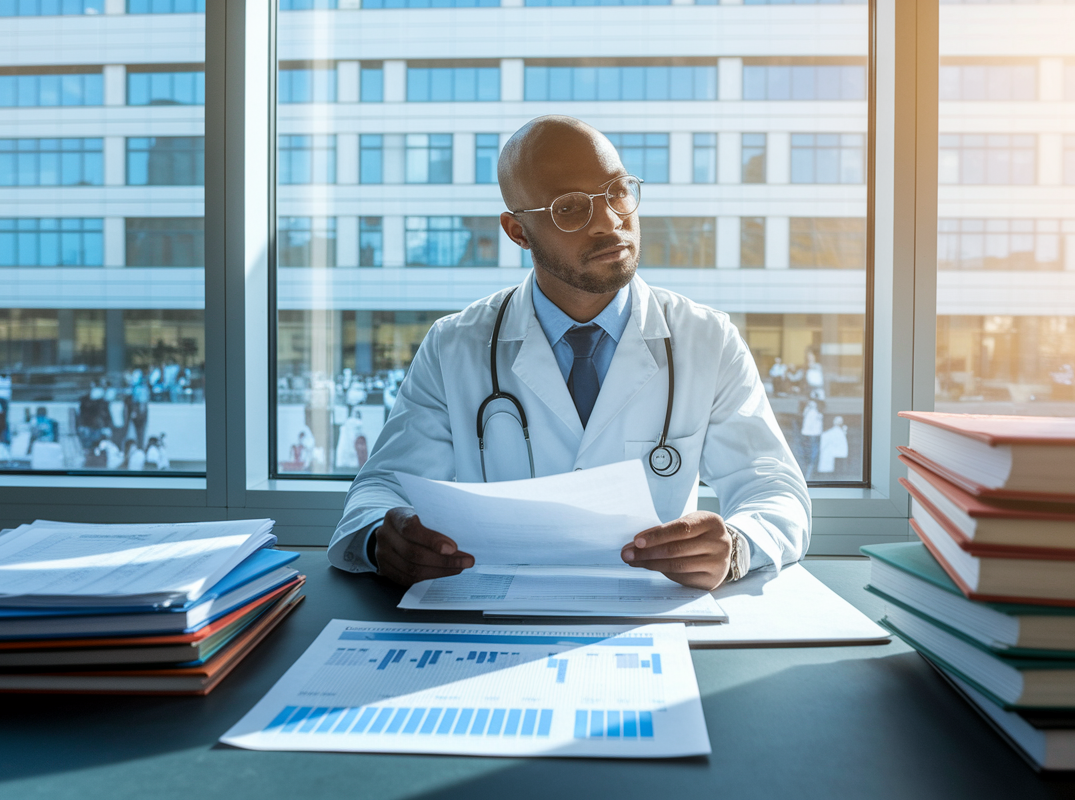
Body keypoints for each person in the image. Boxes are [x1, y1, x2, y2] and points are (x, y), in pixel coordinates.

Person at [328, 115, 811, 590]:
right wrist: (379, 538)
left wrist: (737, 546)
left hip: (652, 618)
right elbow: (381, 488)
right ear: (517, 231)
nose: (609, 221)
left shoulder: (706, 338)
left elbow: (774, 488)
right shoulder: (455, 344)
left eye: (618, 191)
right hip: (497, 619)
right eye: (570, 207)